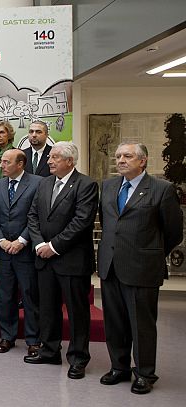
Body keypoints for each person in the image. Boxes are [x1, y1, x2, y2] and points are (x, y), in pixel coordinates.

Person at [97, 143, 183, 394]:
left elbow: (173, 232)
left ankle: (145, 373)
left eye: (128, 156)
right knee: (114, 322)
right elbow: (109, 223)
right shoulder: (109, 186)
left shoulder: (162, 189)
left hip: (142, 268)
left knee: (141, 325)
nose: (121, 160)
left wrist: (150, 252)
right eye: (118, 156)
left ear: (143, 161)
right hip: (110, 265)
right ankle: (119, 367)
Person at [26, 141, 98, 380]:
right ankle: (49, 350)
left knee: (77, 313)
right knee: (47, 308)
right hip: (44, 259)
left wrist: (53, 247)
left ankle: (78, 358)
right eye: (50, 157)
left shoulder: (86, 185)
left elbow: (81, 222)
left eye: (55, 157)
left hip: (72, 260)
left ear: (70, 161)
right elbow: (33, 215)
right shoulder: (44, 183)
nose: (49, 160)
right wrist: (38, 244)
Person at [0, 149, 42, 356]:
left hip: (25, 250)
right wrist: (1, 240)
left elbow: (36, 215)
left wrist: (21, 240)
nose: (2, 165)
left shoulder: (38, 183)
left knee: (29, 295)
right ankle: (7, 336)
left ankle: (33, 339)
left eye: (6, 162)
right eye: (1, 161)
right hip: (3, 250)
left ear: (20, 164)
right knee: (5, 295)